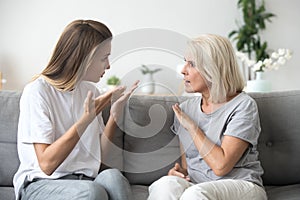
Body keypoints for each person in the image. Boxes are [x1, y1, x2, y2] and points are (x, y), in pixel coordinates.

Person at [13, 19, 138, 200]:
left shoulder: (90, 91)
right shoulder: (38, 91)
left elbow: (101, 159)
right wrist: (86, 120)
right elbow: (47, 165)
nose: (109, 65)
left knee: (113, 178)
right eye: (104, 58)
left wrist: (114, 115)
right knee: (92, 192)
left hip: (84, 181)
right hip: (41, 184)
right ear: (83, 58)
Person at [147, 34, 267, 200]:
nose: (183, 70)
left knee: (195, 194)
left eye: (192, 64)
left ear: (213, 69)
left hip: (240, 185)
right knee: (165, 184)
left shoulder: (243, 106)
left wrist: (193, 127)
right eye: (185, 62)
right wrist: (180, 174)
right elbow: (189, 166)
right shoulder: (185, 110)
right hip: (198, 186)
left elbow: (221, 166)